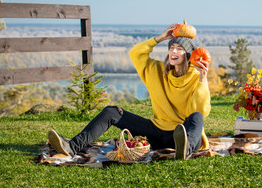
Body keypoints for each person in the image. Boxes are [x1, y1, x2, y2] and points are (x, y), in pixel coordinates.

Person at [48, 24, 211, 160]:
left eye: (180, 49)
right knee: (112, 111)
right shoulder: (157, 71)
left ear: (189, 54)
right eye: (172, 48)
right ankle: (72, 147)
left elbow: (201, 111)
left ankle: (185, 150)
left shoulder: (196, 76)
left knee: (196, 116)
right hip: (156, 131)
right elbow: (135, 53)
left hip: (181, 135)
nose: (174, 52)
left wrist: (203, 79)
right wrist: (160, 38)